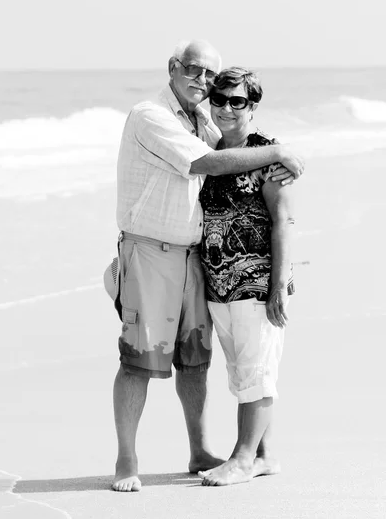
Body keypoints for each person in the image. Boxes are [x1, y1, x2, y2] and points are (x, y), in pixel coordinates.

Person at [110, 40, 304, 492]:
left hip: (205, 263)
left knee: (199, 361)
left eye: (218, 84)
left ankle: (213, 451)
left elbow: (274, 207)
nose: (208, 88)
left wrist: (280, 279)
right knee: (138, 360)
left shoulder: (204, 120)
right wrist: (279, 152)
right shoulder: (150, 115)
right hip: (153, 253)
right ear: (173, 67)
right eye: (198, 73)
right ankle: (127, 460)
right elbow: (207, 162)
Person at [198, 67, 295, 487]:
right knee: (242, 371)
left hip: (257, 284)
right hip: (219, 286)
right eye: (218, 99)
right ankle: (265, 454)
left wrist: (278, 285)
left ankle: (241, 459)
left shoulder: (269, 154)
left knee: (256, 371)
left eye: (236, 101)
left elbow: (284, 222)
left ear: (252, 105)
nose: (225, 108)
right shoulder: (210, 151)